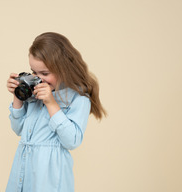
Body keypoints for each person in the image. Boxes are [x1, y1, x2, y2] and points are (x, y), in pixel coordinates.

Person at [6, 32, 107, 192]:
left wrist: (51, 103)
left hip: (50, 176)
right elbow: (18, 129)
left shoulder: (78, 99)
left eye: (45, 74)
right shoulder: (34, 94)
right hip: (24, 168)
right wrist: (18, 96)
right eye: (33, 72)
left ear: (63, 69)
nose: (38, 79)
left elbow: (72, 141)